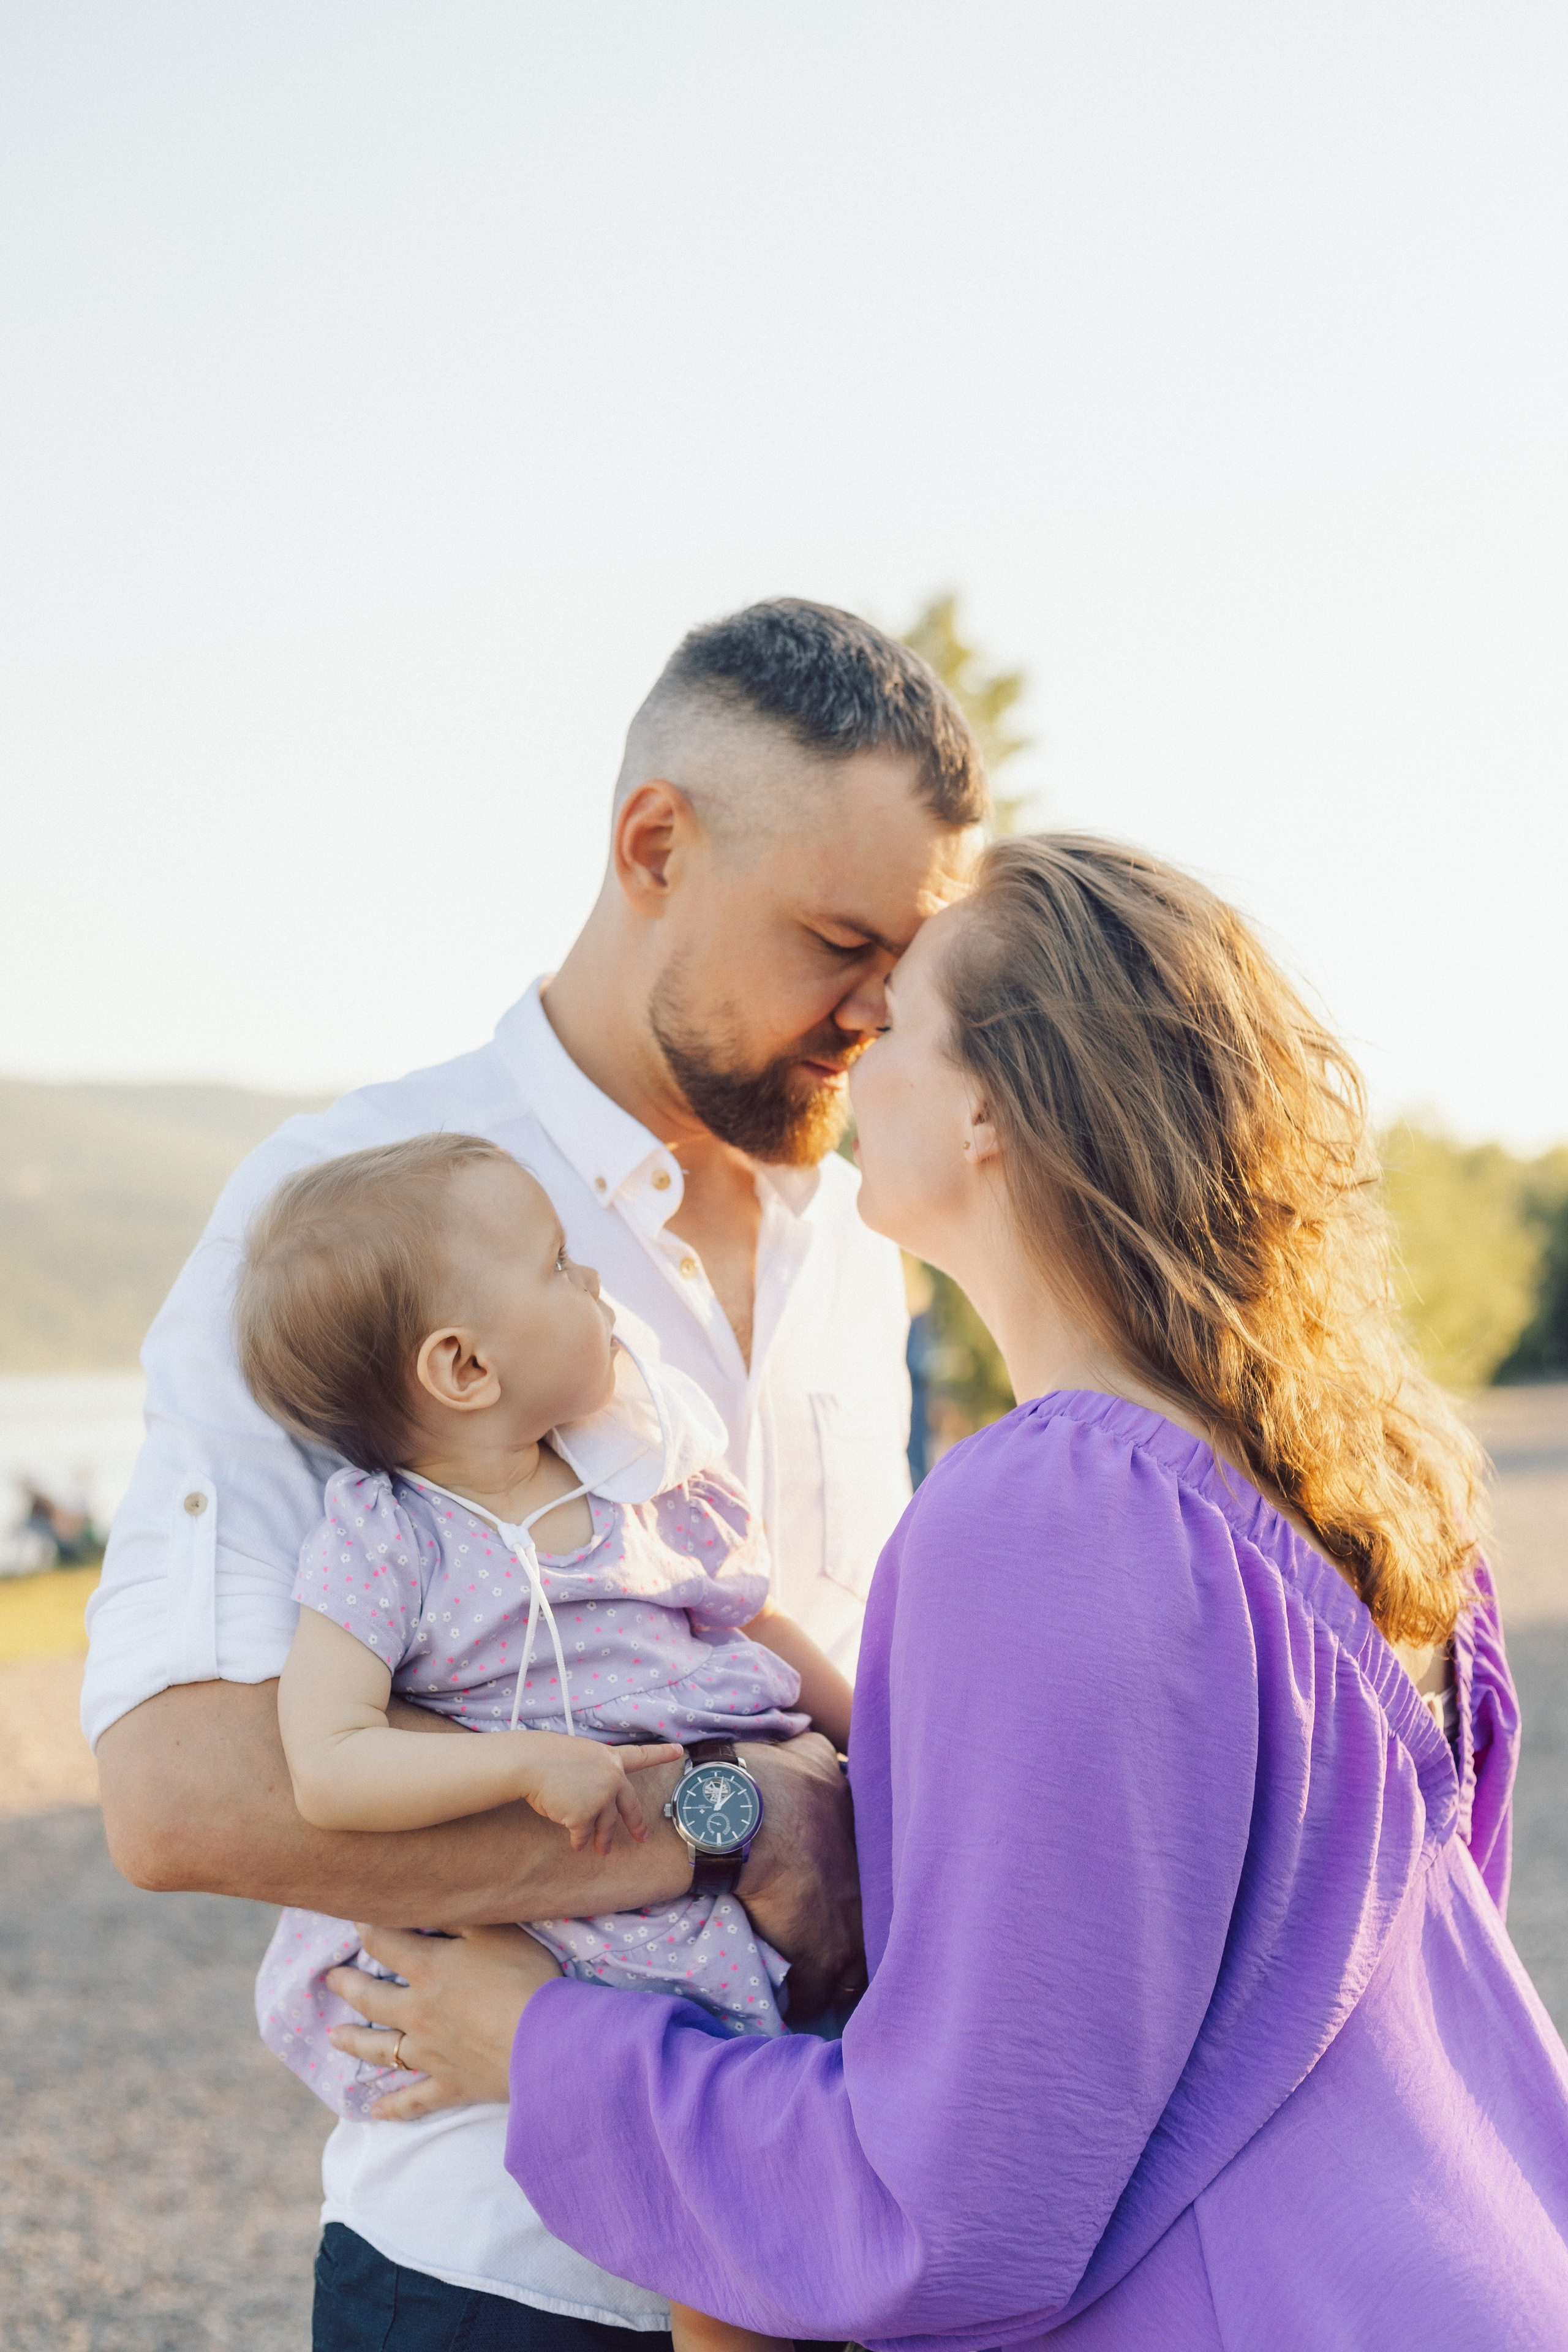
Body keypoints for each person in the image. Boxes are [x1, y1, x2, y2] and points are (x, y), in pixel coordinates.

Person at [330, 834, 1568, 2348]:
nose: (851, 1050)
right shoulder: (1367, 1490)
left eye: (898, 1020)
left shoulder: (1053, 1513)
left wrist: (542, 2042)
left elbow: (953, 2204)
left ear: (988, 1108)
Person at [83, 599, 986, 2346]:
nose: (877, 1015)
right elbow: (181, 1790)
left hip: (854, 2238)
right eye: (833, 941)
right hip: (502, 2274)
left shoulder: (870, 1237)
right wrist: (737, 1828)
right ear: (654, 843)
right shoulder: (351, 1212)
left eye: (911, 963)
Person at [241, 1135, 850, 2352]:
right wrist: (516, 1763)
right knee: (689, 2153)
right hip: (586, 1916)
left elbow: (760, 1619)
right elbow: (331, 1757)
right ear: (463, 1366)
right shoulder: (389, 1539)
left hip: (731, 1877)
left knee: (760, 2147)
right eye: (561, 1267)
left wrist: (877, 1744)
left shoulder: (641, 1485)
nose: (598, 1289)